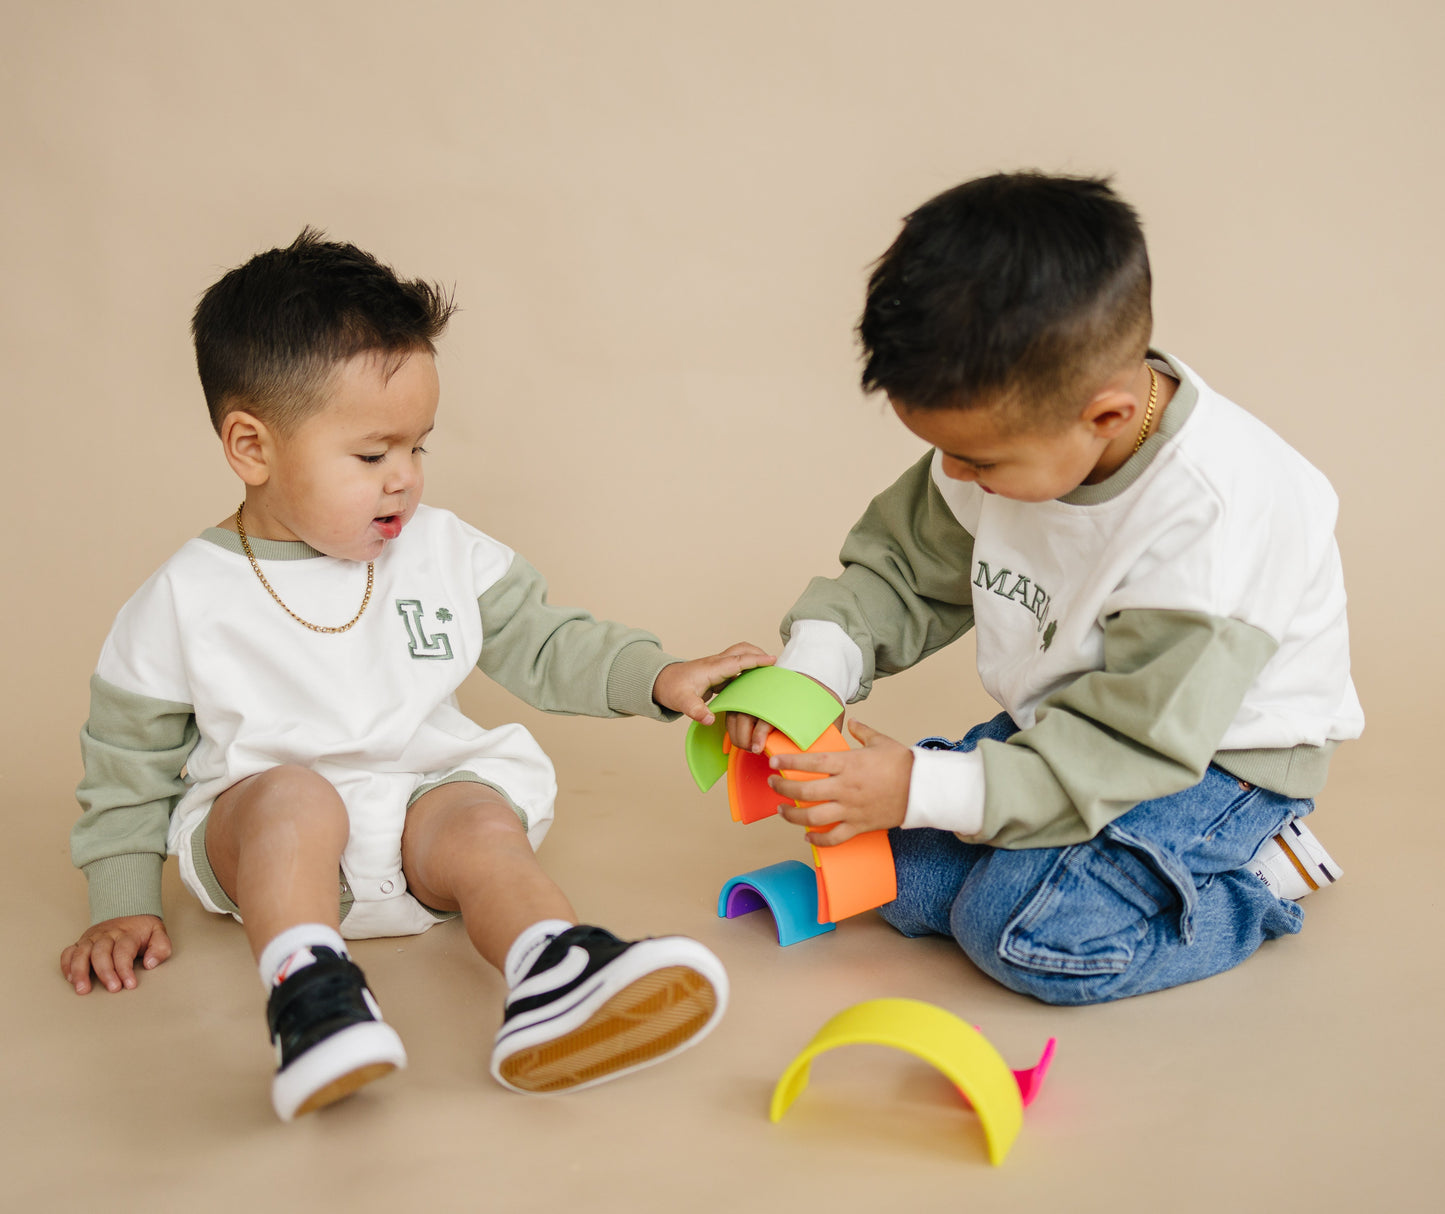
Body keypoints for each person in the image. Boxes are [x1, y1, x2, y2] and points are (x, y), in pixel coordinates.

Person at [61, 229, 770, 1120]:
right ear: (252, 447)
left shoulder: (442, 551)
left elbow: (546, 640)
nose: (403, 480)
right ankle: (312, 993)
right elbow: (127, 761)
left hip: (417, 818)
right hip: (268, 843)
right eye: (370, 456)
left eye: (418, 448)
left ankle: (552, 965)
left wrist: (659, 676)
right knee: (291, 799)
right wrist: (123, 898)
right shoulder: (184, 597)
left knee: (476, 815)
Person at [728, 173, 1363, 1005]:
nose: (952, 476)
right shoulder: (1008, 435)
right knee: (900, 873)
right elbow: (898, 571)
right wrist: (809, 675)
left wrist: (919, 785)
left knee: (1022, 935)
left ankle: (1258, 879)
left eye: (977, 461)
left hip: (1206, 763)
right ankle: (1026, 861)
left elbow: (1133, 747)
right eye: (942, 451)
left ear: (1101, 417)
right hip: (1071, 723)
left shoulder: (1214, 519)